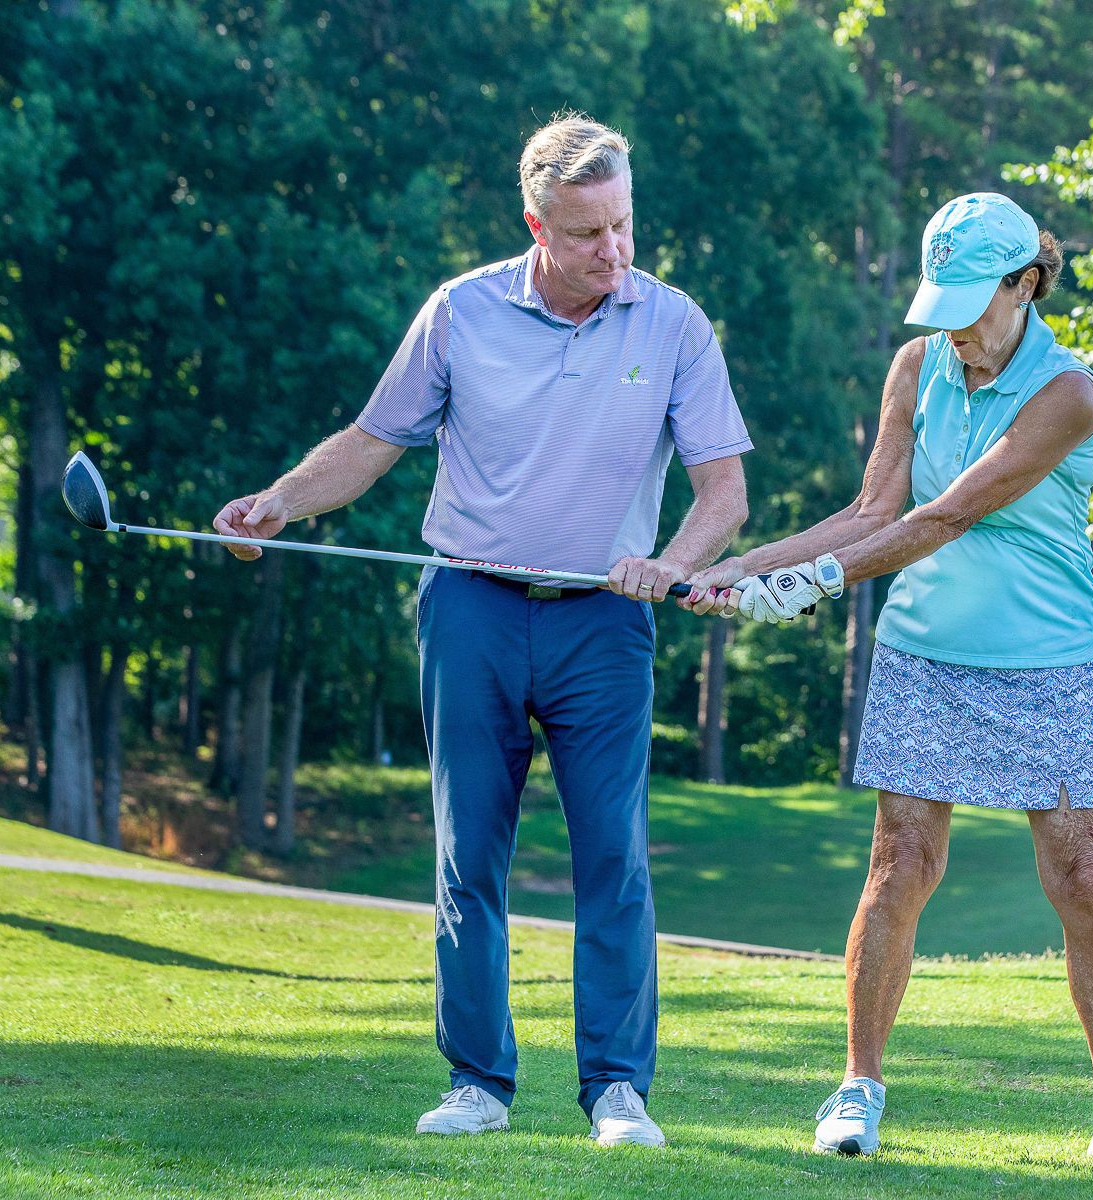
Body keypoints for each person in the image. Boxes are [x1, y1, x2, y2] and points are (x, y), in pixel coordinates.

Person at [211, 114, 751, 1148]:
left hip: (606, 621)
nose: (615, 251)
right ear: (537, 226)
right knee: (468, 855)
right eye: (588, 233)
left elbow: (723, 491)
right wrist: (278, 501)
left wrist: (673, 563)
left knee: (613, 859)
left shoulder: (674, 323)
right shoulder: (460, 311)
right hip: (470, 607)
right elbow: (372, 441)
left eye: (624, 225)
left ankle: (617, 1090)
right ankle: (477, 1084)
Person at [681, 193, 1093, 1167]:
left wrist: (817, 582)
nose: (952, 325)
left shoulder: (1068, 391)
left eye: (970, 302)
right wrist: (747, 567)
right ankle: (857, 1087)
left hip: (1048, 661)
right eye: (940, 302)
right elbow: (876, 508)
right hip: (924, 656)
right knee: (900, 865)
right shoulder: (918, 366)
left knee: (1081, 876)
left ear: (1025, 284)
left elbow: (948, 514)